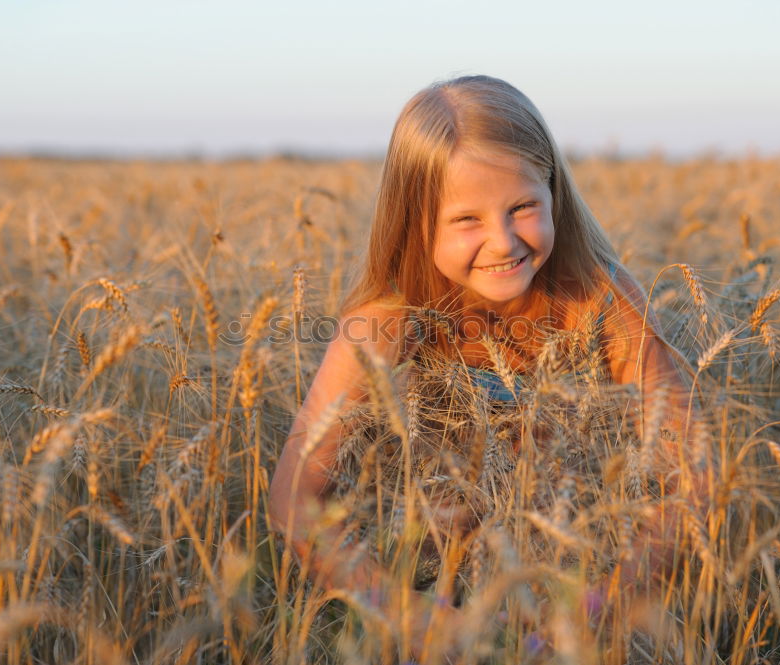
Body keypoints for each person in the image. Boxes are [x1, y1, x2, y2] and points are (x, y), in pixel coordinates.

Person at [268, 74, 698, 659]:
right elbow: (295, 497)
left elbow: (693, 474)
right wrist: (398, 608)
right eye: (466, 220)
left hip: (575, 578)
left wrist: (603, 607)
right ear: (414, 222)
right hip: (422, 573)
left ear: (553, 193)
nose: (502, 242)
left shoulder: (599, 301)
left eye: (522, 207)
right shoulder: (389, 319)